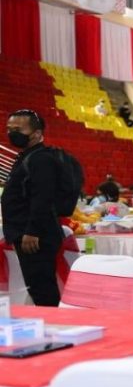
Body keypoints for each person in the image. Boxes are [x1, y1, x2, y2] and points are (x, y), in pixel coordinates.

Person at [2, 110, 63, 306]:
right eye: (9, 129)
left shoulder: (41, 159)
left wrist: (32, 231)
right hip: (26, 233)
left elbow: (43, 197)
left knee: (42, 289)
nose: (12, 133)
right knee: (37, 287)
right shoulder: (27, 156)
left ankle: (55, 330)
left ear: (36, 134)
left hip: (35, 237)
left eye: (18, 129)